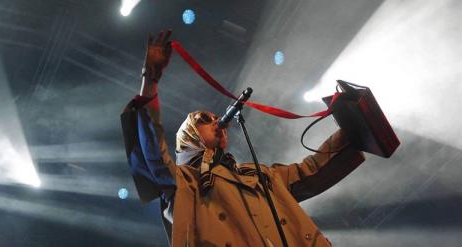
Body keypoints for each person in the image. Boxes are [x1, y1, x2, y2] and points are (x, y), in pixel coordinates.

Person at [121, 30, 366, 247]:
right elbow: (153, 152)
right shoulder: (183, 182)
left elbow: (309, 171)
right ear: (189, 137)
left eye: (217, 119)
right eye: (205, 120)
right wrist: (150, 81)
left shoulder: (258, 174)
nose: (217, 123)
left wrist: (354, 123)